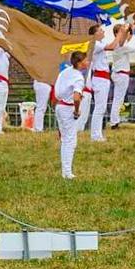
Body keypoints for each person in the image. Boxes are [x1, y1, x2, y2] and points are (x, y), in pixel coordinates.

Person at [89, 23, 130, 141]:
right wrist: (120, 33)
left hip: (104, 78)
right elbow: (112, 46)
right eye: (100, 30)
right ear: (95, 34)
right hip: (100, 78)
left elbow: (114, 45)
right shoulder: (95, 44)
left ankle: (97, 134)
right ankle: (95, 135)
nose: (103, 32)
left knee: (101, 108)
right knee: (99, 108)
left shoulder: (100, 44)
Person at [54, 51, 87, 179]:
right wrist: (76, 110)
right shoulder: (78, 77)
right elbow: (76, 97)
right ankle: (67, 172)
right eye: (85, 60)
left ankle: (66, 170)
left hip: (59, 105)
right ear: (79, 63)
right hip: (68, 108)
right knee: (70, 141)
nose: (87, 62)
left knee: (65, 139)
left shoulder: (64, 72)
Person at [109, 23, 135, 129]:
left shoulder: (119, 45)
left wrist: (132, 27)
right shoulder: (120, 46)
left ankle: (114, 120)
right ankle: (114, 122)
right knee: (118, 99)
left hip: (119, 73)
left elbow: (128, 37)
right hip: (121, 74)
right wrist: (127, 29)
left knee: (118, 99)